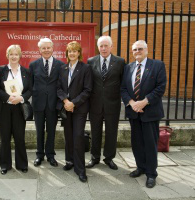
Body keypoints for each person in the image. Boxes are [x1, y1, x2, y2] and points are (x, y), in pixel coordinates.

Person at [120, 40, 167, 188]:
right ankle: (140, 167)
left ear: (146, 50)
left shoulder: (157, 65)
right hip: (134, 112)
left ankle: (151, 173)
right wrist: (133, 103)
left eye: (140, 49)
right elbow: (123, 89)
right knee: (137, 143)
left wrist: (144, 102)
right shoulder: (128, 68)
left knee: (150, 143)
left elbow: (160, 87)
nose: (137, 52)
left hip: (150, 112)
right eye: (134, 49)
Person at [86, 36, 126, 170]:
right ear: (98, 47)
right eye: (101, 46)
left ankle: (109, 158)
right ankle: (94, 157)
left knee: (111, 132)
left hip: (112, 104)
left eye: (106, 46)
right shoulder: (91, 61)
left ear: (111, 46)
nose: (103, 48)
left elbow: (123, 83)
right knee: (95, 131)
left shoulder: (120, 62)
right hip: (95, 104)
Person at [0, 45, 32, 174]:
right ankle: (5, 165)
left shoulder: (26, 72)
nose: (14, 56)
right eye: (11, 54)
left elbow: (30, 89)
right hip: (3, 107)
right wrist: (8, 98)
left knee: (19, 136)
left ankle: (22, 164)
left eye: (16, 54)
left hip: (19, 107)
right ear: (7, 55)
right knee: (5, 137)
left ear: (20, 56)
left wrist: (21, 98)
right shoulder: (1, 70)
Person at [57, 41, 92, 182]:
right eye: (69, 51)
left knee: (78, 137)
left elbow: (87, 90)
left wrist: (74, 103)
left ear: (79, 53)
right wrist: (66, 101)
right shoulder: (63, 68)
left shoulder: (86, 68)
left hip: (79, 109)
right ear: (67, 53)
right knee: (68, 136)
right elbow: (59, 88)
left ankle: (80, 169)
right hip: (66, 108)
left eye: (74, 51)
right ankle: (69, 161)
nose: (72, 53)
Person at [29, 38, 64, 167]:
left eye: (48, 47)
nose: (46, 50)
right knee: (39, 131)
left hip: (53, 104)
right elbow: (30, 84)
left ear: (52, 48)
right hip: (38, 104)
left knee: (51, 130)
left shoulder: (60, 65)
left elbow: (61, 85)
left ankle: (50, 155)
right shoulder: (33, 65)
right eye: (43, 48)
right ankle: (39, 155)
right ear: (39, 50)